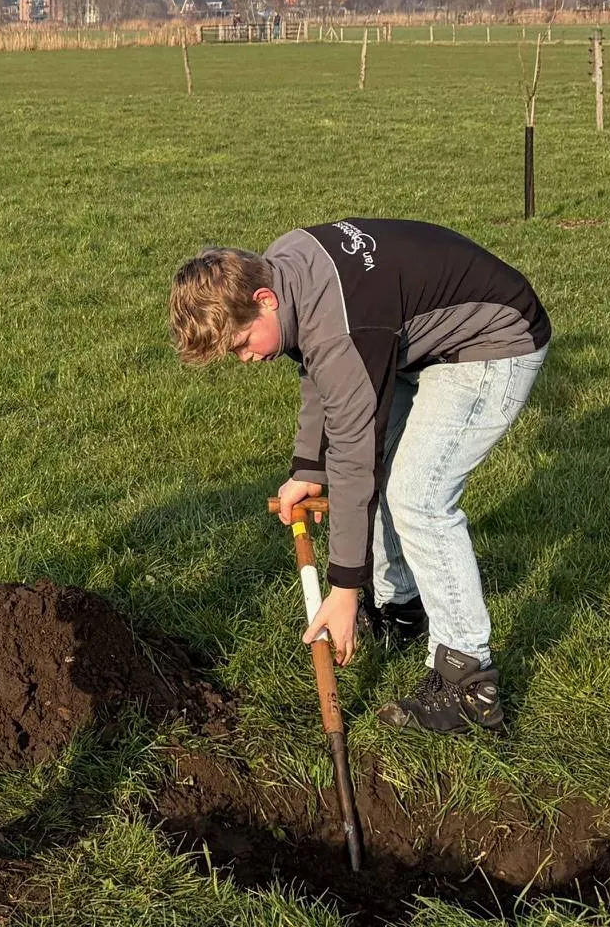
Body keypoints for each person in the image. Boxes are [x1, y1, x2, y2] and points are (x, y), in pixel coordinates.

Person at [169, 220, 552, 734]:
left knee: (418, 496)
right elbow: (316, 368)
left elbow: (354, 457)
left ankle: (469, 683)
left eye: (240, 343)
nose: (245, 358)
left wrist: (344, 587)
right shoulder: (284, 264)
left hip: (494, 342)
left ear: (264, 298)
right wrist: (308, 467)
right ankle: (401, 610)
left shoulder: (340, 324)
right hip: (410, 343)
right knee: (389, 478)